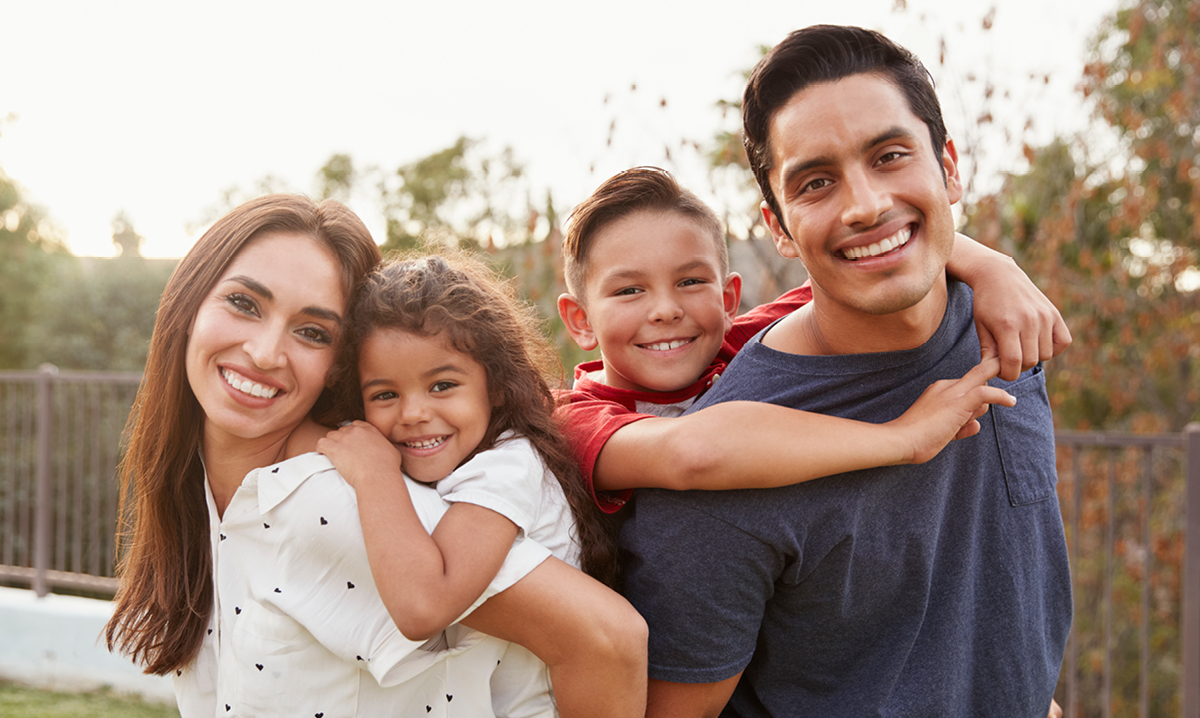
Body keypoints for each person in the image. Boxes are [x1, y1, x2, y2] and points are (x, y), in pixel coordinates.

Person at [618, 26, 1072, 717]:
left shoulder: (1006, 326)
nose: (864, 205)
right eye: (816, 182)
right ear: (777, 226)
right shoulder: (722, 481)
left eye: (890, 156)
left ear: (949, 168)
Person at [102, 194, 642, 717]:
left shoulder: (342, 499)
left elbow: (606, 641)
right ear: (188, 303)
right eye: (244, 303)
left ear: (338, 366)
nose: (265, 353)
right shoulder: (199, 487)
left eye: (312, 332)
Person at [555, 166, 1070, 512]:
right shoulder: (570, 420)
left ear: (729, 298)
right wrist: (903, 438)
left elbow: (870, 259)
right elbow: (692, 453)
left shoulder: (742, 342)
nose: (666, 310)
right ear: (580, 321)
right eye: (628, 290)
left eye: (691, 282)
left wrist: (995, 269)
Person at [317, 252, 646, 716]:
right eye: (385, 394)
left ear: (494, 385)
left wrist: (374, 475)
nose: (413, 413)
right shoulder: (467, 458)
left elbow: (425, 605)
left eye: (442, 386)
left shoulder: (506, 467)